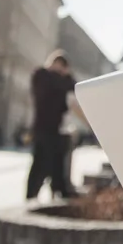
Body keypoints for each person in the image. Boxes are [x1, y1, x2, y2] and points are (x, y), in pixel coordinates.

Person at [25, 50, 85, 199]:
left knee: (58, 166)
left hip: (57, 131)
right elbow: (55, 85)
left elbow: (74, 90)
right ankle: (32, 197)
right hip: (43, 129)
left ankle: (60, 190)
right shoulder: (41, 75)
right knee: (39, 166)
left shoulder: (64, 82)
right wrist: (63, 75)